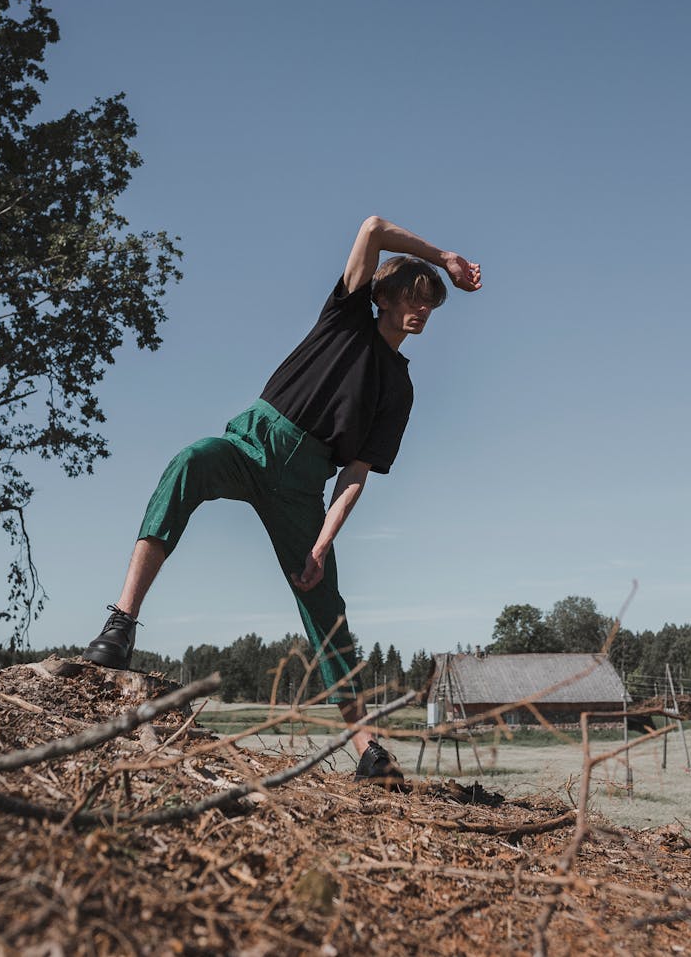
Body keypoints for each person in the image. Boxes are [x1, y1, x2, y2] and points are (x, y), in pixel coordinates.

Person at [83, 216, 481, 785]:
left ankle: (368, 749)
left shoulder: (400, 387)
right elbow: (372, 228)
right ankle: (121, 625)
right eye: (414, 298)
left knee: (328, 609)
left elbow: (355, 475)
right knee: (189, 462)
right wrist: (443, 255)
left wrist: (320, 546)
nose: (422, 311)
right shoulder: (345, 318)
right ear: (384, 297)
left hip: (303, 485)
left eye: (431, 305)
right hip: (252, 443)